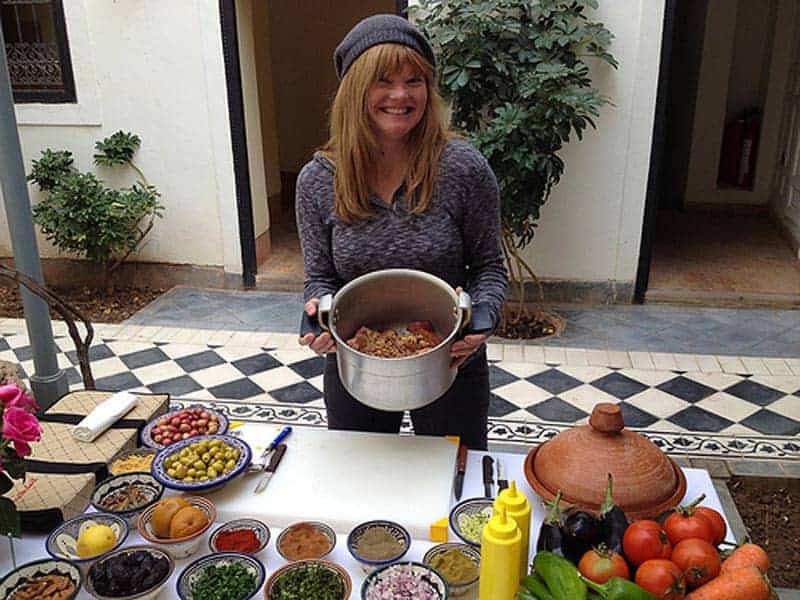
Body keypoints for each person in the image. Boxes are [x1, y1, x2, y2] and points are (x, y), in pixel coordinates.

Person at [296, 14, 507, 450]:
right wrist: (317, 314)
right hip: (357, 365)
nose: (400, 95)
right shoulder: (318, 180)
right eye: (383, 81)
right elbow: (320, 277)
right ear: (355, 89)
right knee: (363, 484)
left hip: (450, 361)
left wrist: (483, 317)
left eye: (414, 80)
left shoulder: (463, 168)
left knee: (455, 479)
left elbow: (488, 266)